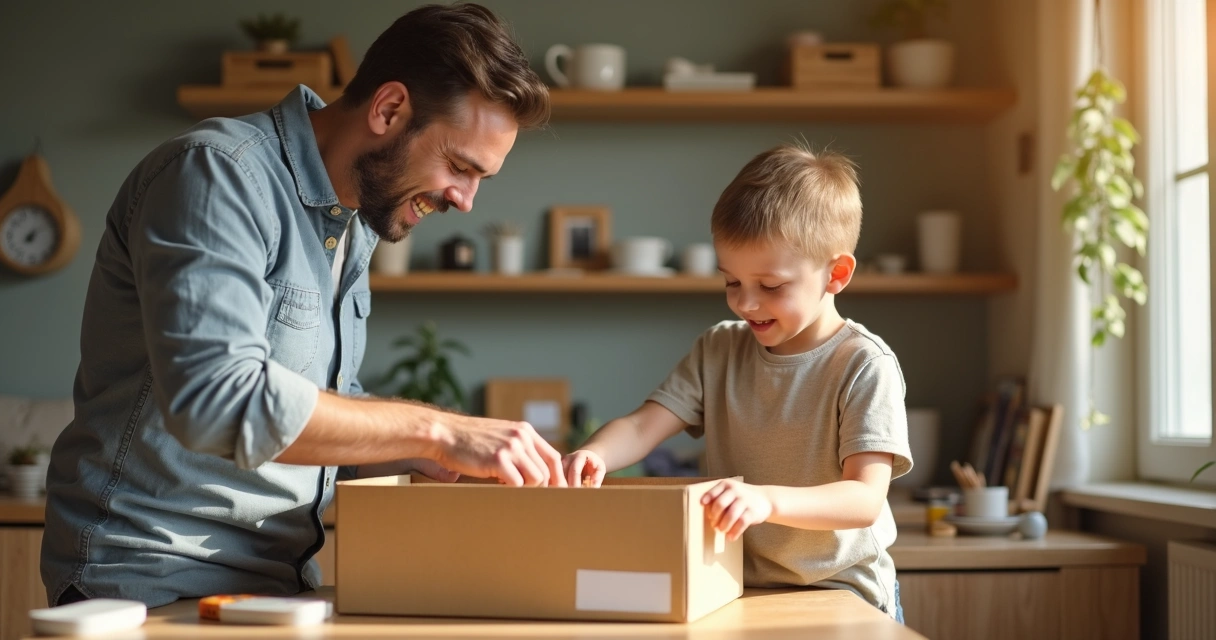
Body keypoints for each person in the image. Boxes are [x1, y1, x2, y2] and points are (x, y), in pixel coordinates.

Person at [42, 3, 565, 609]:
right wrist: (443, 431)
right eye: (459, 166)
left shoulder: (354, 223)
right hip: (147, 579)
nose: (466, 200)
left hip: (275, 585)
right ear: (389, 109)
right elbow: (218, 400)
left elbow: (321, 412)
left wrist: (444, 456)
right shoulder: (217, 173)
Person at [562, 144, 913, 621]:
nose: (745, 303)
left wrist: (765, 499)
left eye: (770, 286)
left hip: (843, 591)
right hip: (739, 588)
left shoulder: (864, 365)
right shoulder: (719, 349)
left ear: (836, 274)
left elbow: (864, 499)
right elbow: (643, 426)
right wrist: (596, 454)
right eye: (731, 282)